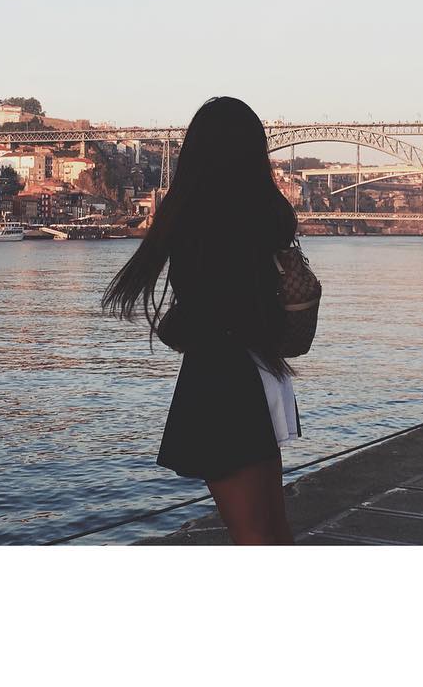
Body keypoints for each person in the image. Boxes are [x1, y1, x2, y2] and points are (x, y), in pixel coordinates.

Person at [103, 96, 301, 545]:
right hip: (262, 372)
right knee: (273, 528)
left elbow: (205, 309)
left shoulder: (192, 220)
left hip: (221, 384)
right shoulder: (265, 215)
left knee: (250, 534)